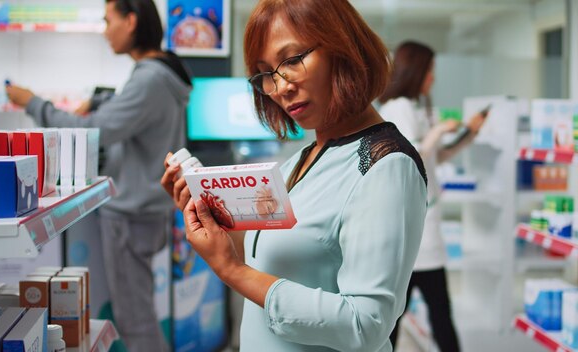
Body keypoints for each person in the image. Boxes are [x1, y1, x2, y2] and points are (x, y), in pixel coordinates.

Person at [161, 1, 427, 351]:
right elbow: (262, 259)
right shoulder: (301, 159)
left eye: (291, 60)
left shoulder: (387, 165)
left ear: (343, 47)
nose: (279, 87)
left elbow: (366, 324)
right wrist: (211, 224)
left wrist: (231, 271)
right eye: (266, 73)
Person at [6, 1, 192, 351]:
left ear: (131, 21)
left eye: (109, 20)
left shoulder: (150, 78)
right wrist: (101, 102)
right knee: (138, 312)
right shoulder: (163, 74)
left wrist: (31, 102)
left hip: (130, 215)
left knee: (135, 321)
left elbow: (89, 130)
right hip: (146, 212)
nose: (105, 30)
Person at [378, 41, 487, 352]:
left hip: (426, 227)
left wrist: (468, 135)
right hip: (413, 231)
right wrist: (439, 131)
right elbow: (411, 154)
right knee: (404, 316)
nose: (433, 78)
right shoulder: (397, 108)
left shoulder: (414, 108)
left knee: (426, 312)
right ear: (417, 71)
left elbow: (434, 157)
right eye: (430, 71)